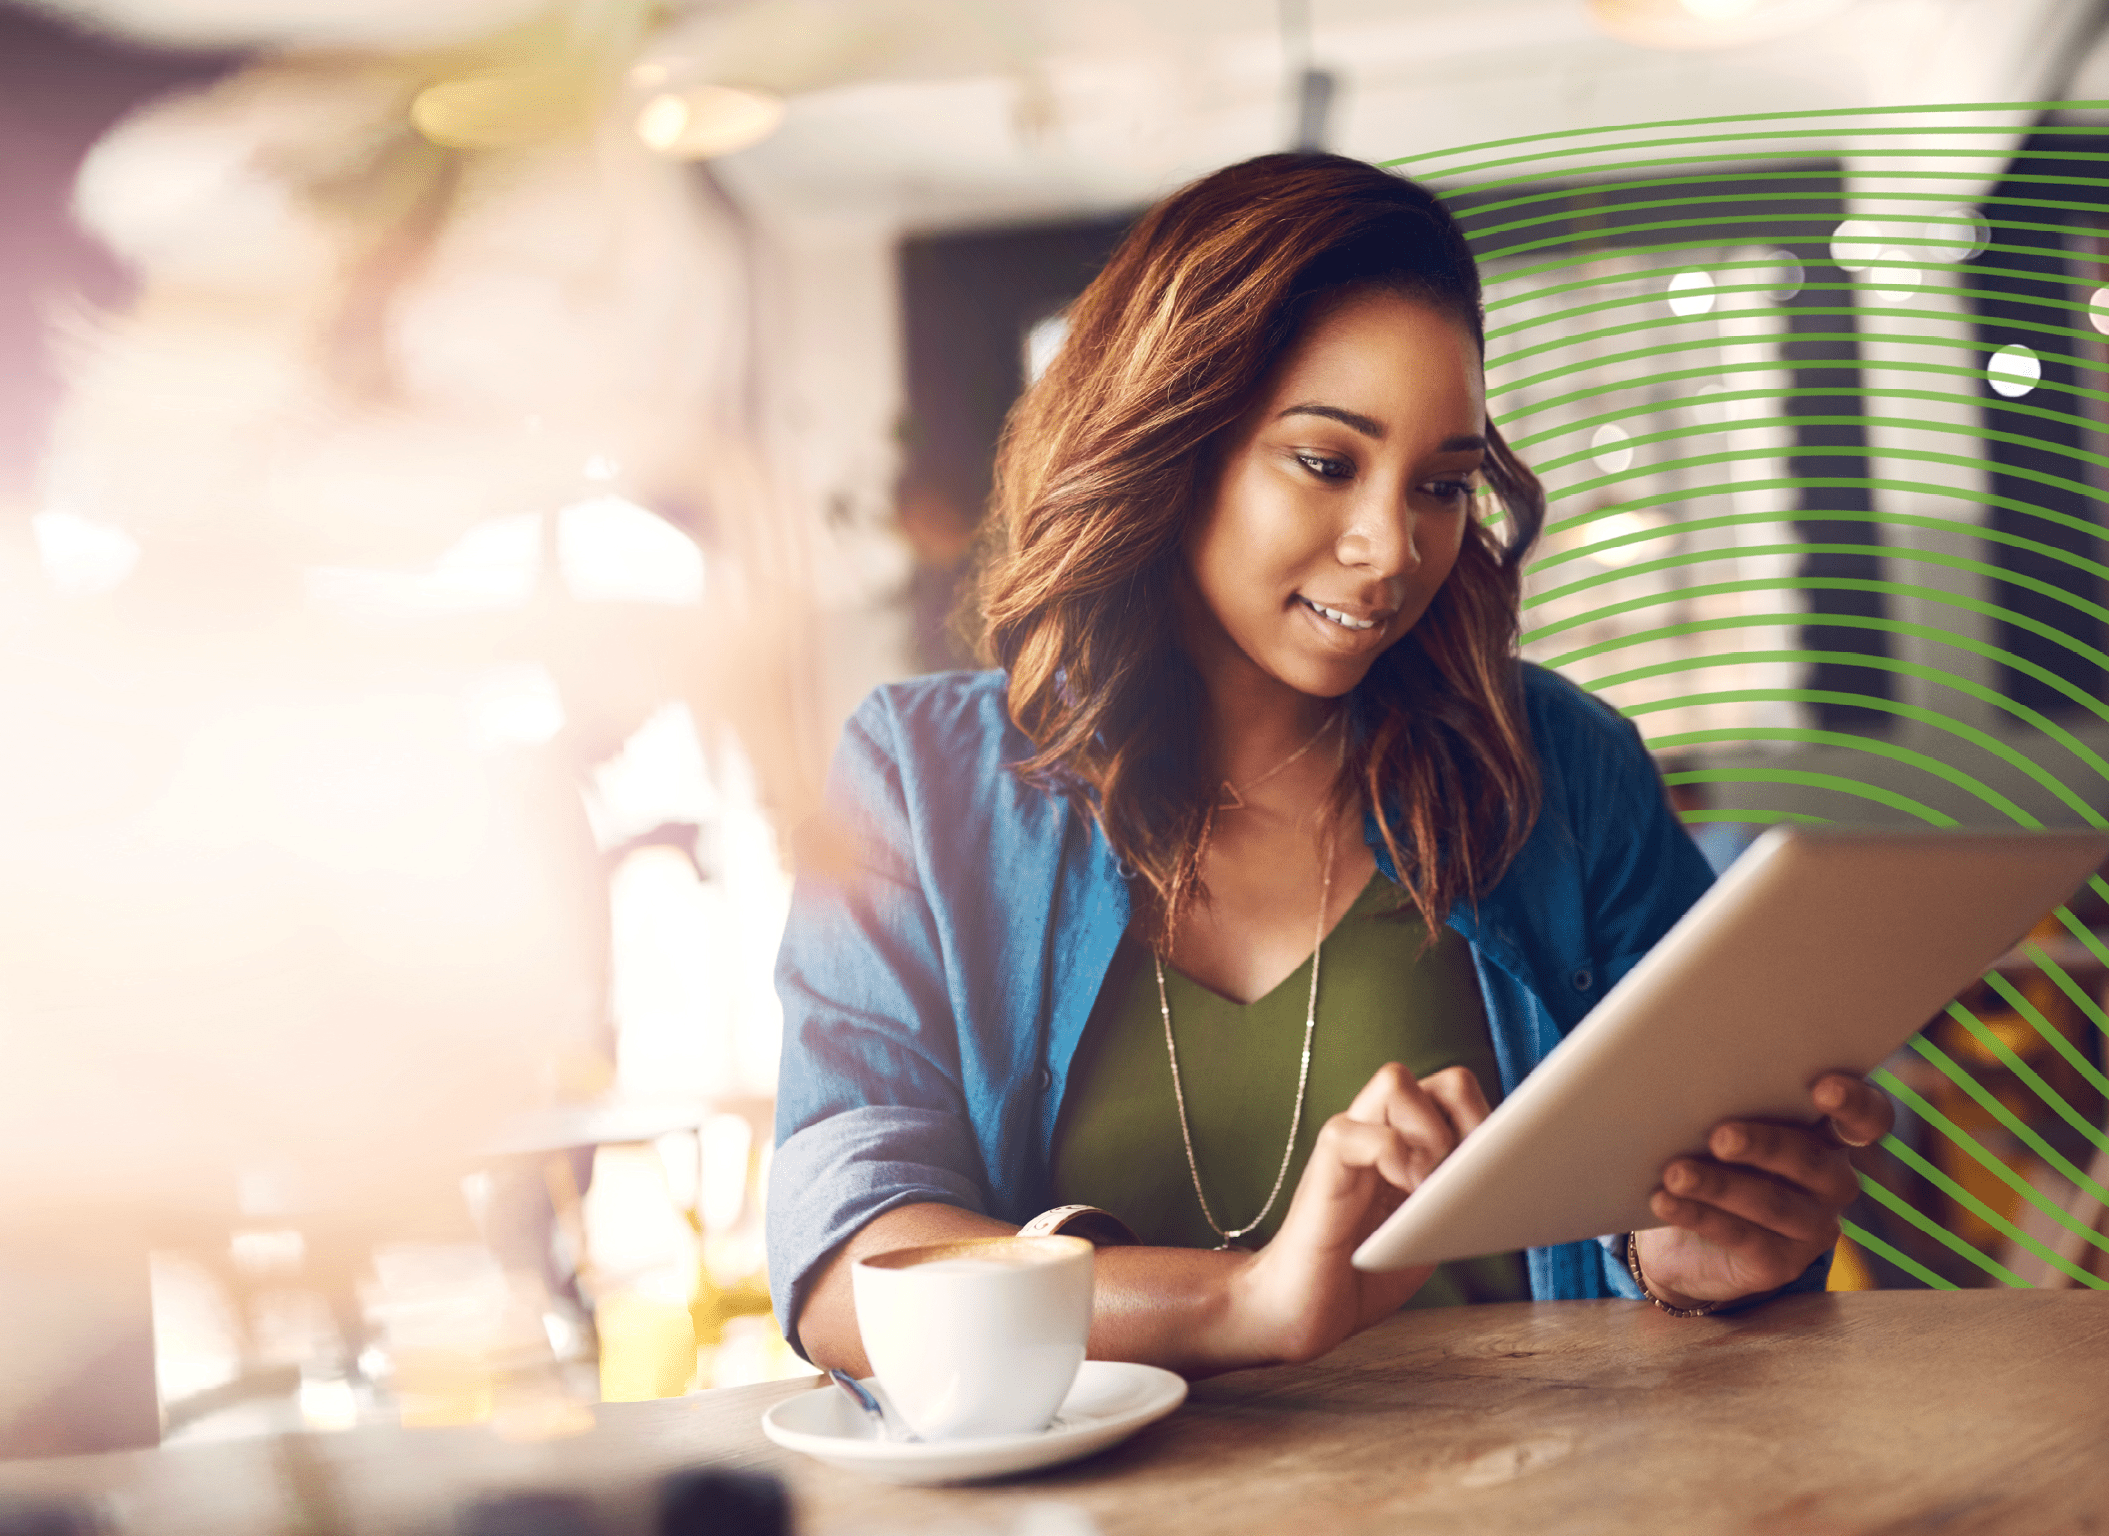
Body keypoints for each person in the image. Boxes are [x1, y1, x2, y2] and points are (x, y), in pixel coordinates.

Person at [768, 153, 1892, 1379]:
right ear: (1170, 441)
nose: (1389, 548)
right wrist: (1241, 1305)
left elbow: (1671, 1214)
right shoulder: (921, 789)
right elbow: (846, 1272)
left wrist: (1695, 1253)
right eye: (1324, 460)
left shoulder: (1560, 772)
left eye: (1443, 485)